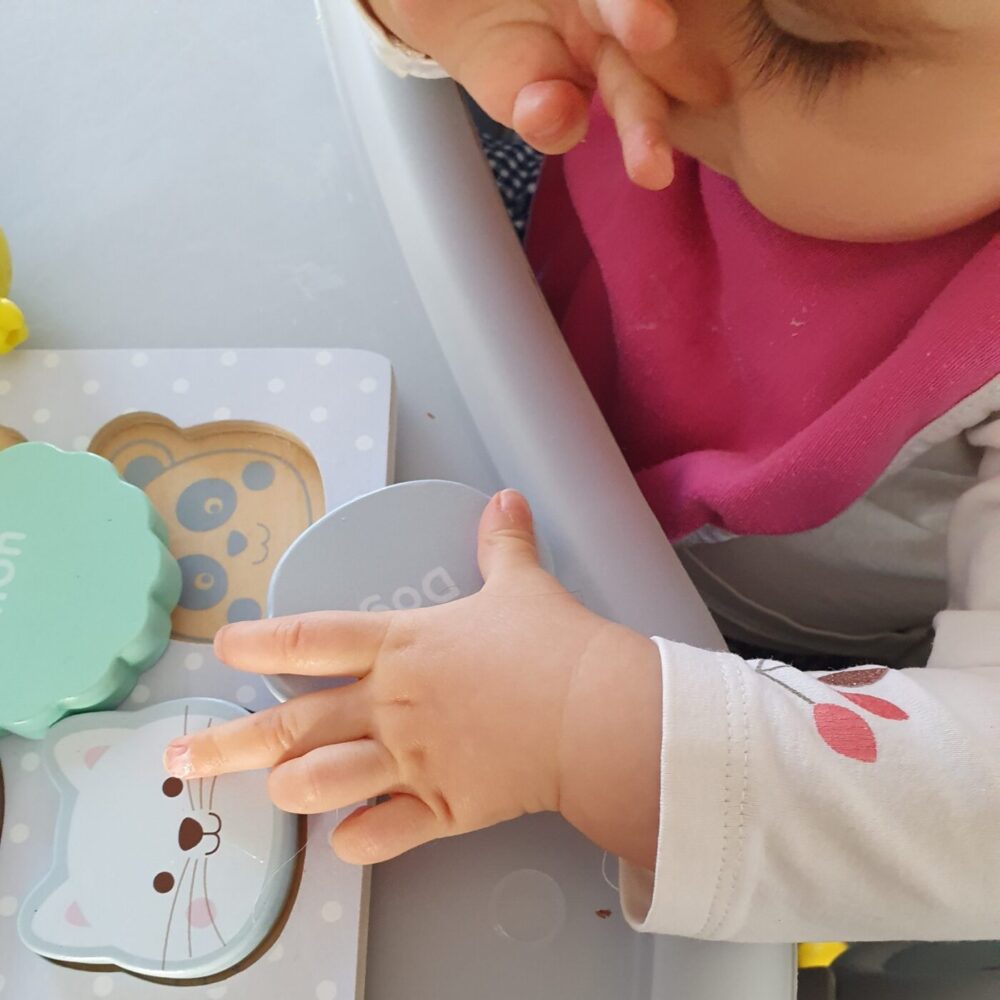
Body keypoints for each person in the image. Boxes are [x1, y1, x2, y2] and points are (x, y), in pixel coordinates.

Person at [163, 0, 1000, 944]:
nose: (635, 19)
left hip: (712, 642)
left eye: (795, 37)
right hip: (520, 344)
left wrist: (577, 724)